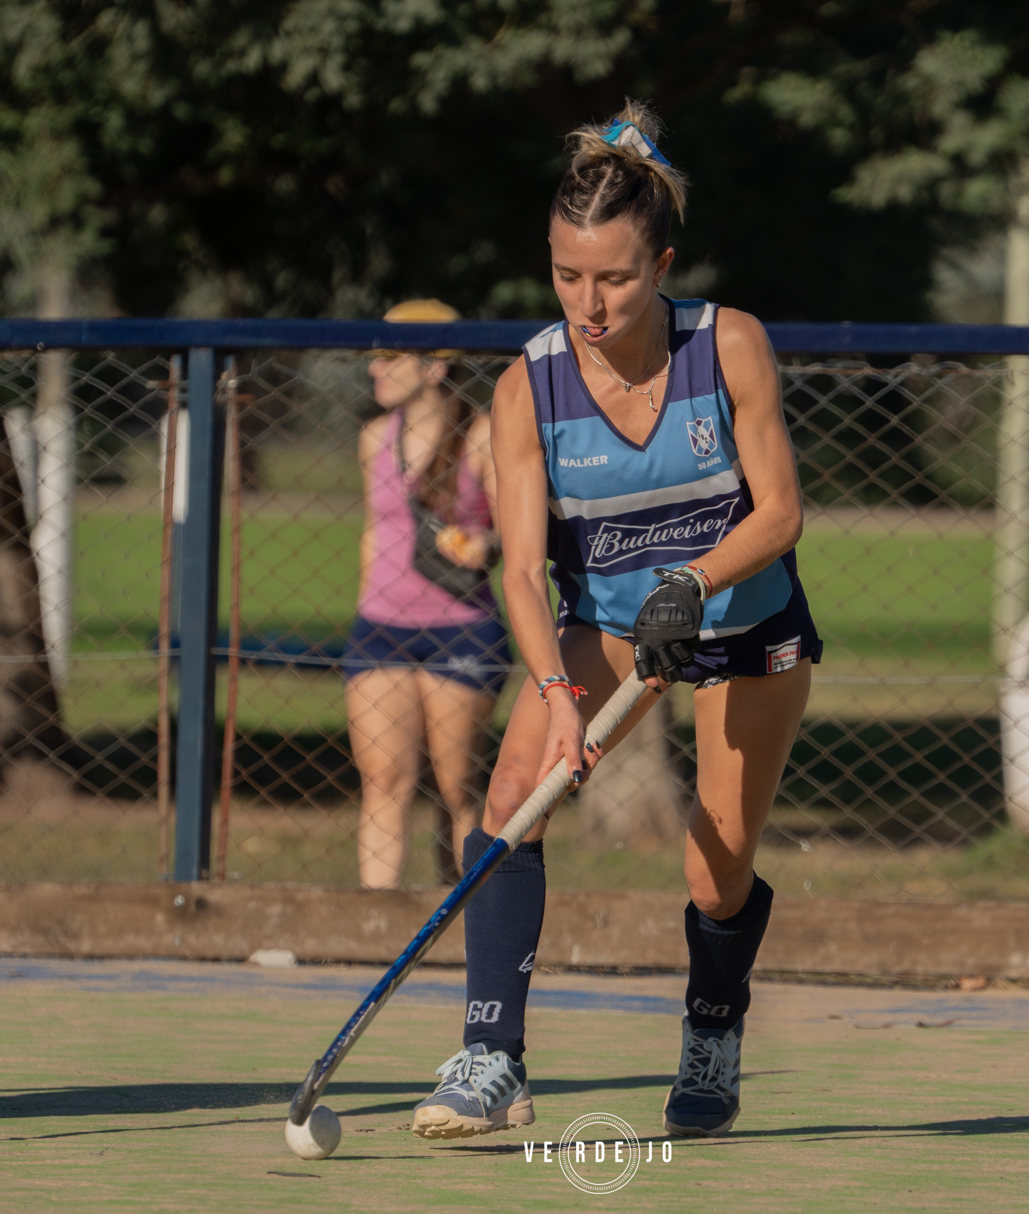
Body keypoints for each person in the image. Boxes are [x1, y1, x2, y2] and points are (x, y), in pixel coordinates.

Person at [410, 103, 819, 1142]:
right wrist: (555, 698)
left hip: (745, 624)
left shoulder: (728, 345)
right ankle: (492, 1058)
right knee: (509, 802)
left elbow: (778, 511)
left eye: (616, 277)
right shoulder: (527, 389)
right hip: (608, 625)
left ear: (662, 261)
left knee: (712, 867)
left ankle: (713, 1030)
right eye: (566, 274)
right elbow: (518, 575)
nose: (589, 303)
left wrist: (692, 581)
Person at [343, 299, 508, 888]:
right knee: (383, 780)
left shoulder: (484, 437)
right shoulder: (371, 439)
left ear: (435, 367)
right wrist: (367, 602)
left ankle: (461, 919)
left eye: (390, 357)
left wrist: (485, 543)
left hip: (461, 628)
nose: (374, 369)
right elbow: (374, 528)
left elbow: (516, 531)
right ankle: (375, 926)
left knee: (455, 785)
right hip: (381, 627)